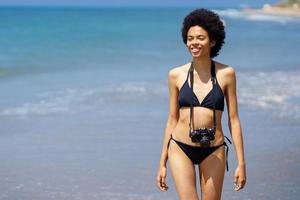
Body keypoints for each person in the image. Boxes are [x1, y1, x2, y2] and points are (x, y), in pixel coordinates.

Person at [156, 8, 246, 200]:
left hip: (214, 149)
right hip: (180, 147)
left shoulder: (227, 74)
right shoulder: (175, 75)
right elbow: (172, 119)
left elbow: (234, 120)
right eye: (190, 38)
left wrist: (241, 163)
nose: (194, 43)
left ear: (212, 41)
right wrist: (162, 163)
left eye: (200, 38)